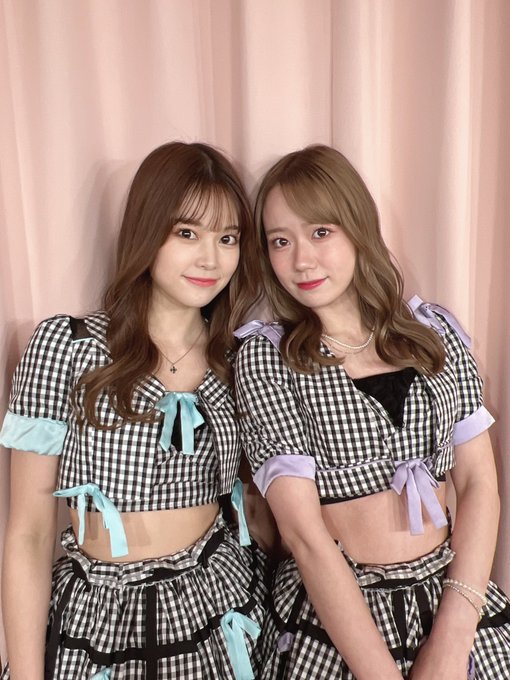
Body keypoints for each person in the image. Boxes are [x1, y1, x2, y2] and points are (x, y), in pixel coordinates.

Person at [234, 144, 510, 679]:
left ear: (357, 227)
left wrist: (453, 641)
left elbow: (479, 482)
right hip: (337, 622)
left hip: (450, 599)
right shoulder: (269, 359)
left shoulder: (433, 333)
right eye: (280, 241)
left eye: (320, 232)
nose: (302, 260)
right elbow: (305, 537)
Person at [0, 141, 269, 680]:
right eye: (187, 233)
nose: (211, 259)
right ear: (148, 231)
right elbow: (27, 533)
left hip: (218, 608)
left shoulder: (241, 358)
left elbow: (259, 505)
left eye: (228, 238)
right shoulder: (67, 346)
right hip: (98, 619)